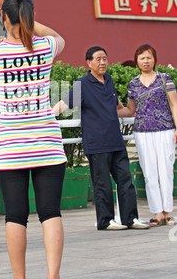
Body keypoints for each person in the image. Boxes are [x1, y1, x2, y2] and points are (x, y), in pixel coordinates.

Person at [0, 0, 67, 279]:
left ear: (3, 16)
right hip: (47, 143)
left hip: (11, 146)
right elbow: (59, 37)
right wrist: (29, 22)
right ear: (29, 16)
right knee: (50, 212)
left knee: (16, 214)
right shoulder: (45, 46)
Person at [53, 46, 149, 231]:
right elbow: (63, 105)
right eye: (98, 59)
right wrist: (44, 118)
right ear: (88, 63)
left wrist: (132, 109)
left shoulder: (109, 81)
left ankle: (130, 218)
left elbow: (119, 107)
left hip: (116, 140)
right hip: (97, 143)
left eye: (105, 58)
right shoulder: (82, 84)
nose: (103, 62)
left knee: (125, 180)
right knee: (102, 183)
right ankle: (105, 220)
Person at [118, 44, 177, 226]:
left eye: (149, 57)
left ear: (154, 60)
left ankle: (168, 211)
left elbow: (174, 104)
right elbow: (130, 110)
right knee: (149, 172)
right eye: (142, 57)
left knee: (165, 170)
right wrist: (106, 109)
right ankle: (157, 213)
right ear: (136, 61)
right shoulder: (133, 83)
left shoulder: (164, 78)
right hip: (142, 132)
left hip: (165, 129)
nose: (146, 61)